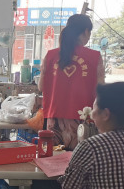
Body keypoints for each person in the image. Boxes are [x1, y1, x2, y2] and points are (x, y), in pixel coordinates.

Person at [38, 14, 105, 150]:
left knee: (53, 158)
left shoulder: (50, 55)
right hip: (84, 119)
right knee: (81, 157)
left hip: (54, 118)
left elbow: (41, 87)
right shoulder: (95, 57)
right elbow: (101, 90)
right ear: (86, 31)